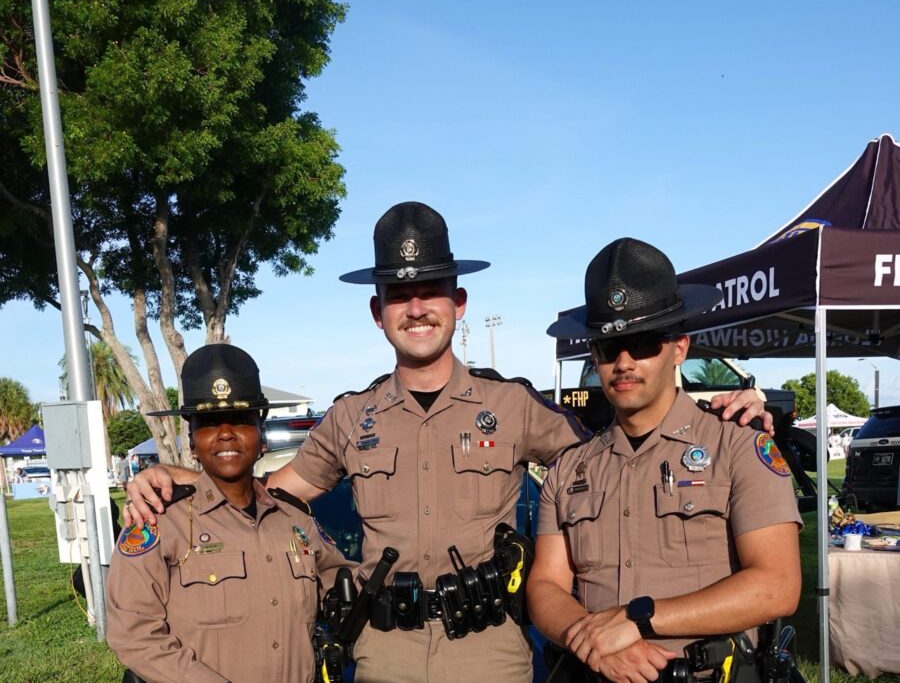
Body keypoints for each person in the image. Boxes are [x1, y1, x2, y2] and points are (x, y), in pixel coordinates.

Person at [123, 203, 770, 683]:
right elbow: (265, 493)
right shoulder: (352, 418)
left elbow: (619, 449)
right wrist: (172, 476)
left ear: (460, 302)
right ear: (378, 313)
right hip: (385, 656)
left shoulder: (513, 406)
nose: (416, 305)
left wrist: (721, 417)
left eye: (430, 288)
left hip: (490, 651)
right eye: (398, 293)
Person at [528, 238, 802, 683]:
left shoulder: (737, 447)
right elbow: (545, 587)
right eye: (606, 347)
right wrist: (595, 642)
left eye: (642, 342)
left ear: (679, 348)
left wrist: (638, 620)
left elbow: (777, 586)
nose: (623, 362)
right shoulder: (568, 470)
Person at [106, 344, 355, 683]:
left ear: (260, 433)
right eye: (208, 422)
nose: (225, 433)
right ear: (192, 441)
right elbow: (134, 635)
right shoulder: (160, 521)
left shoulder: (296, 520)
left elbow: (346, 586)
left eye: (240, 419)